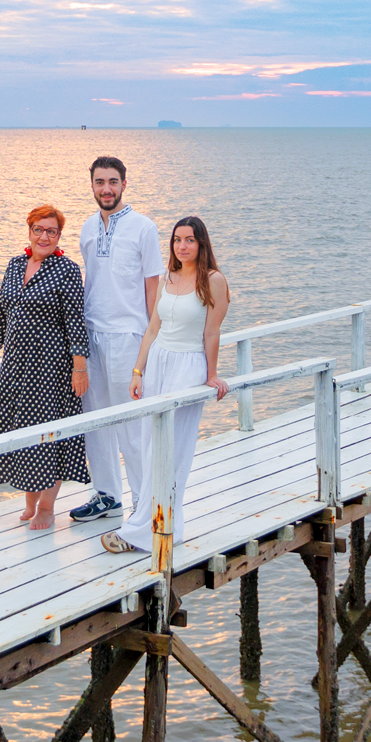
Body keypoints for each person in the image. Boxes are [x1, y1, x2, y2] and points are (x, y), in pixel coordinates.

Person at [101, 215, 230, 559]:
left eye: (189, 240)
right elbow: (153, 329)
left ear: (201, 244)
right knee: (148, 445)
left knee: (172, 450)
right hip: (157, 362)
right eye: (177, 240)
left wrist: (212, 374)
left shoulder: (214, 280)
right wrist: (138, 370)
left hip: (188, 366)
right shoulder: (168, 278)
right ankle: (160, 522)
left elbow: (212, 332)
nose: (182, 246)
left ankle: (144, 530)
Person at [0, 204, 92, 531]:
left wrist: (79, 367)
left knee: (48, 438)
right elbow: (0, 311)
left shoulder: (66, 270)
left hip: (50, 368)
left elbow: (75, 321)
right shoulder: (14, 265)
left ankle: (48, 508)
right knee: (22, 434)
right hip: (15, 367)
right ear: (29, 231)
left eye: (51, 231)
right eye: (39, 229)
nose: (44, 236)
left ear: (59, 236)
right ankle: (29, 503)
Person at [69, 156, 162, 525]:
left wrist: (151, 346)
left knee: (133, 424)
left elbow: (152, 290)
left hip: (129, 335)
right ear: (91, 185)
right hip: (92, 335)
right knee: (96, 420)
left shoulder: (144, 228)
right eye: (99, 182)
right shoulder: (88, 228)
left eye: (112, 181)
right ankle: (107, 495)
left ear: (124, 183)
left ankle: (143, 503)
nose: (105, 189)